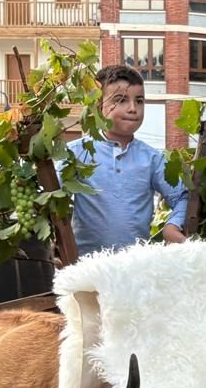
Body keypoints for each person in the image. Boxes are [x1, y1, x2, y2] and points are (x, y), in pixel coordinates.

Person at [66, 64, 188, 256]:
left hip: (135, 269)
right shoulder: (76, 154)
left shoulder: (152, 159)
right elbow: (48, 196)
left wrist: (172, 225)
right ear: (98, 105)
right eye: (121, 100)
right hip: (87, 269)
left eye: (139, 101)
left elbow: (182, 196)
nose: (133, 108)